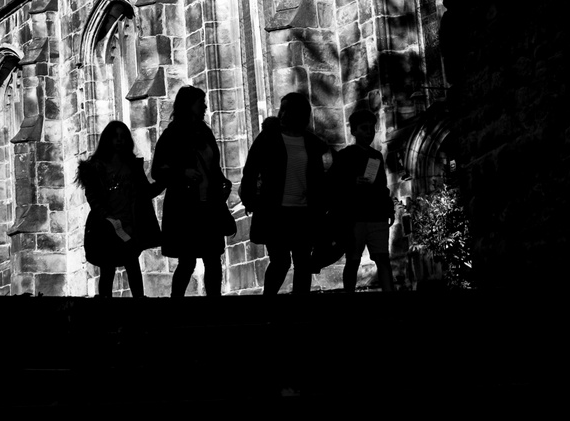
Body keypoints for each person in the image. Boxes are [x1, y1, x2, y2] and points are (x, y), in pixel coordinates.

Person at [239, 91, 331, 295]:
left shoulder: (311, 143)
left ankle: (299, 310)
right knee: (280, 261)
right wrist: (249, 199)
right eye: (281, 109)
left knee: (303, 263)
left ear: (299, 113)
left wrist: (322, 204)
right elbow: (251, 169)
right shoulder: (269, 137)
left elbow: (320, 177)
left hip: (303, 212)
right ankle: (268, 302)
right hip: (275, 211)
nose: (282, 114)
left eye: (287, 109)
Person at [151, 85, 234, 297]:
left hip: (209, 204)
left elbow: (212, 166)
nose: (205, 106)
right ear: (189, 105)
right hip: (186, 206)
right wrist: (182, 172)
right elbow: (157, 170)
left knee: (213, 258)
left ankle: (214, 302)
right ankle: (176, 305)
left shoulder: (205, 132)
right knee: (187, 260)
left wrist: (222, 181)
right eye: (201, 102)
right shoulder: (173, 134)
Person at [77, 120, 163, 297]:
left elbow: (145, 192)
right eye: (115, 137)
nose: (119, 140)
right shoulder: (96, 167)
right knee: (107, 267)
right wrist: (107, 217)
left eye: (123, 137)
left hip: (129, 223)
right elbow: (93, 197)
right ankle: (105, 306)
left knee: (132, 262)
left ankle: (139, 301)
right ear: (108, 139)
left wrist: (166, 181)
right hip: (107, 225)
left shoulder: (132, 166)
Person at [331, 107, 395, 292]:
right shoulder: (345, 155)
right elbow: (334, 183)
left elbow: (382, 185)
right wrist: (353, 182)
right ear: (353, 131)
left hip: (377, 215)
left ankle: (391, 300)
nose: (368, 133)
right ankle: (349, 298)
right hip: (355, 217)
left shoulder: (376, 156)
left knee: (383, 258)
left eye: (371, 129)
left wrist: (388, 208)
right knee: (353, 259)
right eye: (364, 128)